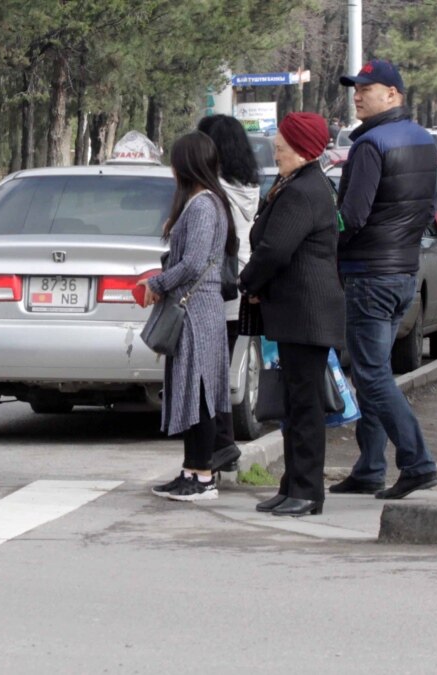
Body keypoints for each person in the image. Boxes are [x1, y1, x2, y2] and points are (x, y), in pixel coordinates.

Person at [330, 58, 437, 500]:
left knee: (372, 374)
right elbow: (425, 211)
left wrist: (323, 233)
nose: (357, 94)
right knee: (373, 369)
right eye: (355, 88)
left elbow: (352, 216)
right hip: (403, 271)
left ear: (393, 94)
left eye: (367, 88)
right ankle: (370, 467)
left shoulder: (370, 145)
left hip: (369, 273)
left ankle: (417, 462)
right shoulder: (423, 140)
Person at [238, 113, 344, 517]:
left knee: (304, 406)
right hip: (296, 312)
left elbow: (275, 250)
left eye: (281, 144)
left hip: (306, 312)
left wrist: (247, 281)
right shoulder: (296, 183)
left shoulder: (302, 190)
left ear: (301, 148)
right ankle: (292, 485)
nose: (276, 149)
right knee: (295, 404)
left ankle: (307, 490)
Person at [142, 132, 238, 501]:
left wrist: (158, 282)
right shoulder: (208, 202)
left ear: (186, 164)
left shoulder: (201, 206)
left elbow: (195, 262)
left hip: (196, 310)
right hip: (200, 307)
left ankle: (201, 477)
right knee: (192, 389)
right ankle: (192, 470)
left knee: (197, 392)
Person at [197, 114, 260, 473]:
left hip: (217, 288)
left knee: (210, 374)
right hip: (239, 285)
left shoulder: (213, 191)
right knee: (221, 371)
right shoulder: (248, 185)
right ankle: (223, 444)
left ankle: (221, 445)